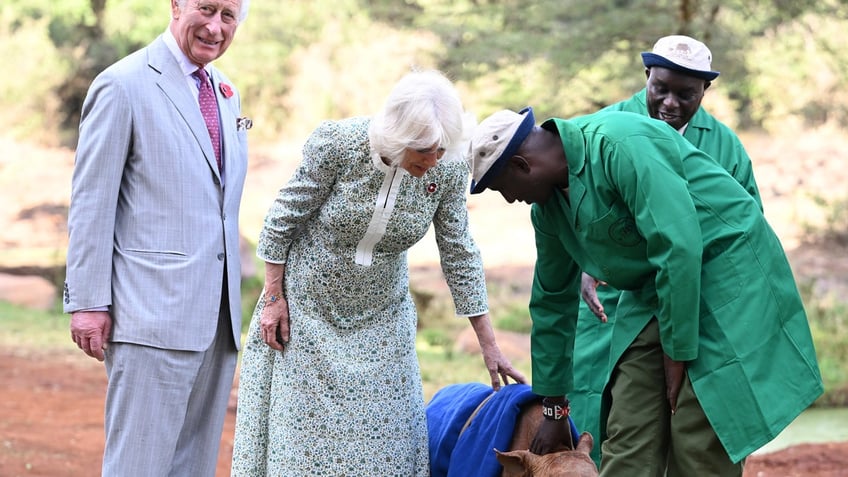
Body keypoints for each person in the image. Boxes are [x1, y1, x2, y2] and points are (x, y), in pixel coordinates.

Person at [467, 106, 823, 476]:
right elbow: (552, 301)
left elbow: (679, 246)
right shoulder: (548, 210)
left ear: (522, 166)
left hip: (721, 275)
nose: (509, 200)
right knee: (629, 431)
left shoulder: (619, 143)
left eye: (502, 188)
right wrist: (555, 408)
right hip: (652, 291)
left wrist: (677, 350)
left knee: (698, 430)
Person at [230, 69, 527, 476]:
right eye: (423, 149)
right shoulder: (340, 145)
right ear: (398, 135)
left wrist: (489, 342)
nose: (432, 160)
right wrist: (275, 298)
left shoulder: (446, 168)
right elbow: (283, 219)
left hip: (382, 319)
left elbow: (458, 251)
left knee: (388, 446)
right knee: (304, 446)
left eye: (441, 149)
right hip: (307, 313)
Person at [63, 0, 250, 475]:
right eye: (206, 9)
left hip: (216, 319)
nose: (215, 26)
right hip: (149, 315)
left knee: (192, 466)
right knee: (139, 465)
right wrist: (87, 301)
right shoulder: (122, 85)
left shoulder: (226, 93)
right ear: (176, 5)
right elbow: (92, 202)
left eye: (228, 16)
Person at [570, 34, 764, 466]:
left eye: (686, 93)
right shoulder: (608, 128)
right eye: (661, 88)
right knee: (615, 424)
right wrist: (589, 259)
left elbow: (747, 232)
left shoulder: (725, 146)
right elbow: (575, 209)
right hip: (619, 304)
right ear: (646, 77)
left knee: (701, 430)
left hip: (700, 303)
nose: (671, 103)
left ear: (705, 91)